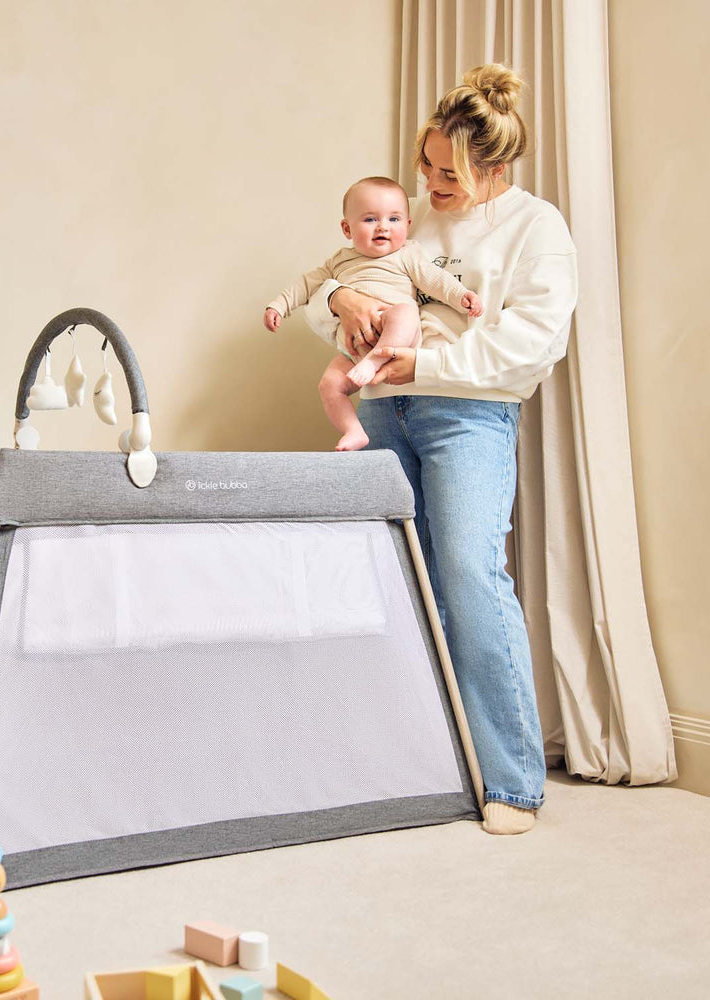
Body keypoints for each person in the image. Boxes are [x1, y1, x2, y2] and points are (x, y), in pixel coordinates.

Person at [302, 64, 578, 835]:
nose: (428, 182)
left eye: (446, 171)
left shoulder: (536, 228)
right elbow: (336, 279)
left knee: (465, 571)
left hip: (469, 417)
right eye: (424, 164)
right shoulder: (406, 216)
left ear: (494, 168)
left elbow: (530, 346)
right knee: (398, 585)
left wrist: (424, 362)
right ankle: (421, 763)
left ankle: (511, 781)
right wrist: (340, 299)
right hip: (385, 413)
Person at [263, 176, 482, 451]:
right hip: (354, 350)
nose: (383, 227)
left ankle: (376, 359)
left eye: (394, 219)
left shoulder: (407, 254)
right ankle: (354, 431)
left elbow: (434, 279)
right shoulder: (339, 261)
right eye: (370, 220)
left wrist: (461, 296)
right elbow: (306, 285)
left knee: (406, 311)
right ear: (347, 228)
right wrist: (278, 306)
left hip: (396, 338)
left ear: (408, 225)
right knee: (329, 385)